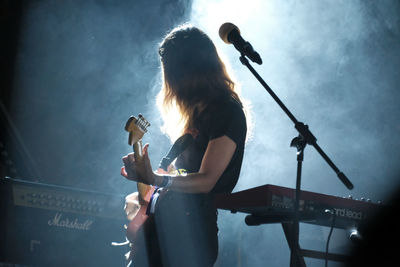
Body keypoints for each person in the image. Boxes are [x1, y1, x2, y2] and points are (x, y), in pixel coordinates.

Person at [121, 24, 249, 267]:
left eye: (172, 72)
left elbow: (206, 180)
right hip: (164, 226)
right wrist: (146, 178)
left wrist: (156, 179)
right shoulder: (196, 116)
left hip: (193, 235)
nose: (170, 82)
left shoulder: (227, 111)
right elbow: (177, 177)